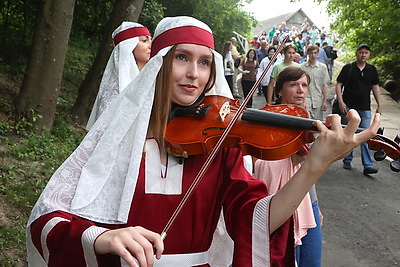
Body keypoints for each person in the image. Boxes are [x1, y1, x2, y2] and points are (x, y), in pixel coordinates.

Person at [27, 16, 380, 267]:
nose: (195, 74)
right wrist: (101, 238)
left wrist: (314, 167)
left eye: (205, 63)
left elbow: (257, 221)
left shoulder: (219, 145)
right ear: (159, 64)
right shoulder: (115, 140)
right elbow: (47, 221)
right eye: (182, 58)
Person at [254, 67, 323, 267]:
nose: (300, 90)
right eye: (293, 85)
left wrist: (316, 205)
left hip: (308, 201)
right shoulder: (264, 121)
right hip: (279, 201)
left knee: (311, 261)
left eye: (304, 85)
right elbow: (258, 164)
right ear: (280, 91)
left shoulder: (306, 120)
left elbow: (308, 169)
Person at [86, 22, 151, 130]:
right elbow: (103, 131)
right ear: (129, 47)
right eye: (144, 41)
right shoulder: (114, 90)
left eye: (150, 40)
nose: (150, 45)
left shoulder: (150, 82)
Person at [336, 43, 382, 175]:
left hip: (365, 107)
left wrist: (379, 105)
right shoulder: (348, 68)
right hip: (348, 106)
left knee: (367, 135)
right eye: (361, 52)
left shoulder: (371, 70)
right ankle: (347, 158)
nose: (363, 55)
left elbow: (375, 87)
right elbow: (339, 84)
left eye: (366, 53)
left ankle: (368, 165)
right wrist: (341, 101)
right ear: (357, 53)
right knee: (348, 133)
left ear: (369, 55)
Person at [301, 44, 330, 120]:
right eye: (311, 53)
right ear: (307, 53)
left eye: (315, 53)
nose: (313, 55)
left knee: (318, 124)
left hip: (318, 99)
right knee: (305, 122)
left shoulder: (322, 67)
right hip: (306, 99)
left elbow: (324, 85)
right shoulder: (301, 67)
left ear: (318, 53)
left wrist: (324, 101)